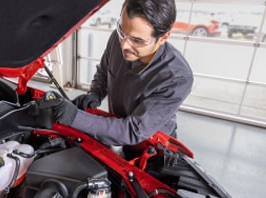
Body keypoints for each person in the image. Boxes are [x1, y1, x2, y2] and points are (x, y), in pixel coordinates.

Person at [39, 0, 193, 146]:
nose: (125, 45)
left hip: (152, 143)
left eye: (137, 40)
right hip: (117, 128)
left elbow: (133, 131)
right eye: (122, 30)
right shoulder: (117, 39)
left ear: (163, 37)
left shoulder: (177, 78)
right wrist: (94, 95)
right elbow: (105, 71)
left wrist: (74, 117)